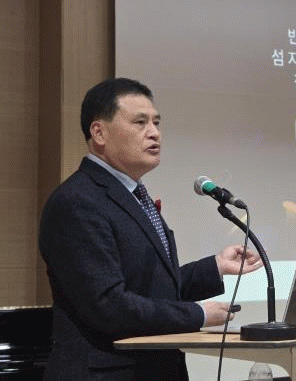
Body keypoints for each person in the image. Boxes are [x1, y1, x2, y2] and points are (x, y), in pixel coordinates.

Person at [39, 78, 262, 381]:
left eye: (156, 122)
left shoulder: (131, 195)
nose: (154, 132)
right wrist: (197, 314)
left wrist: (214, 267)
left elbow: (149, 289)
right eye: (140, 122)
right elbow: (109, 306)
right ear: (99, 133)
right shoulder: (77, 202)